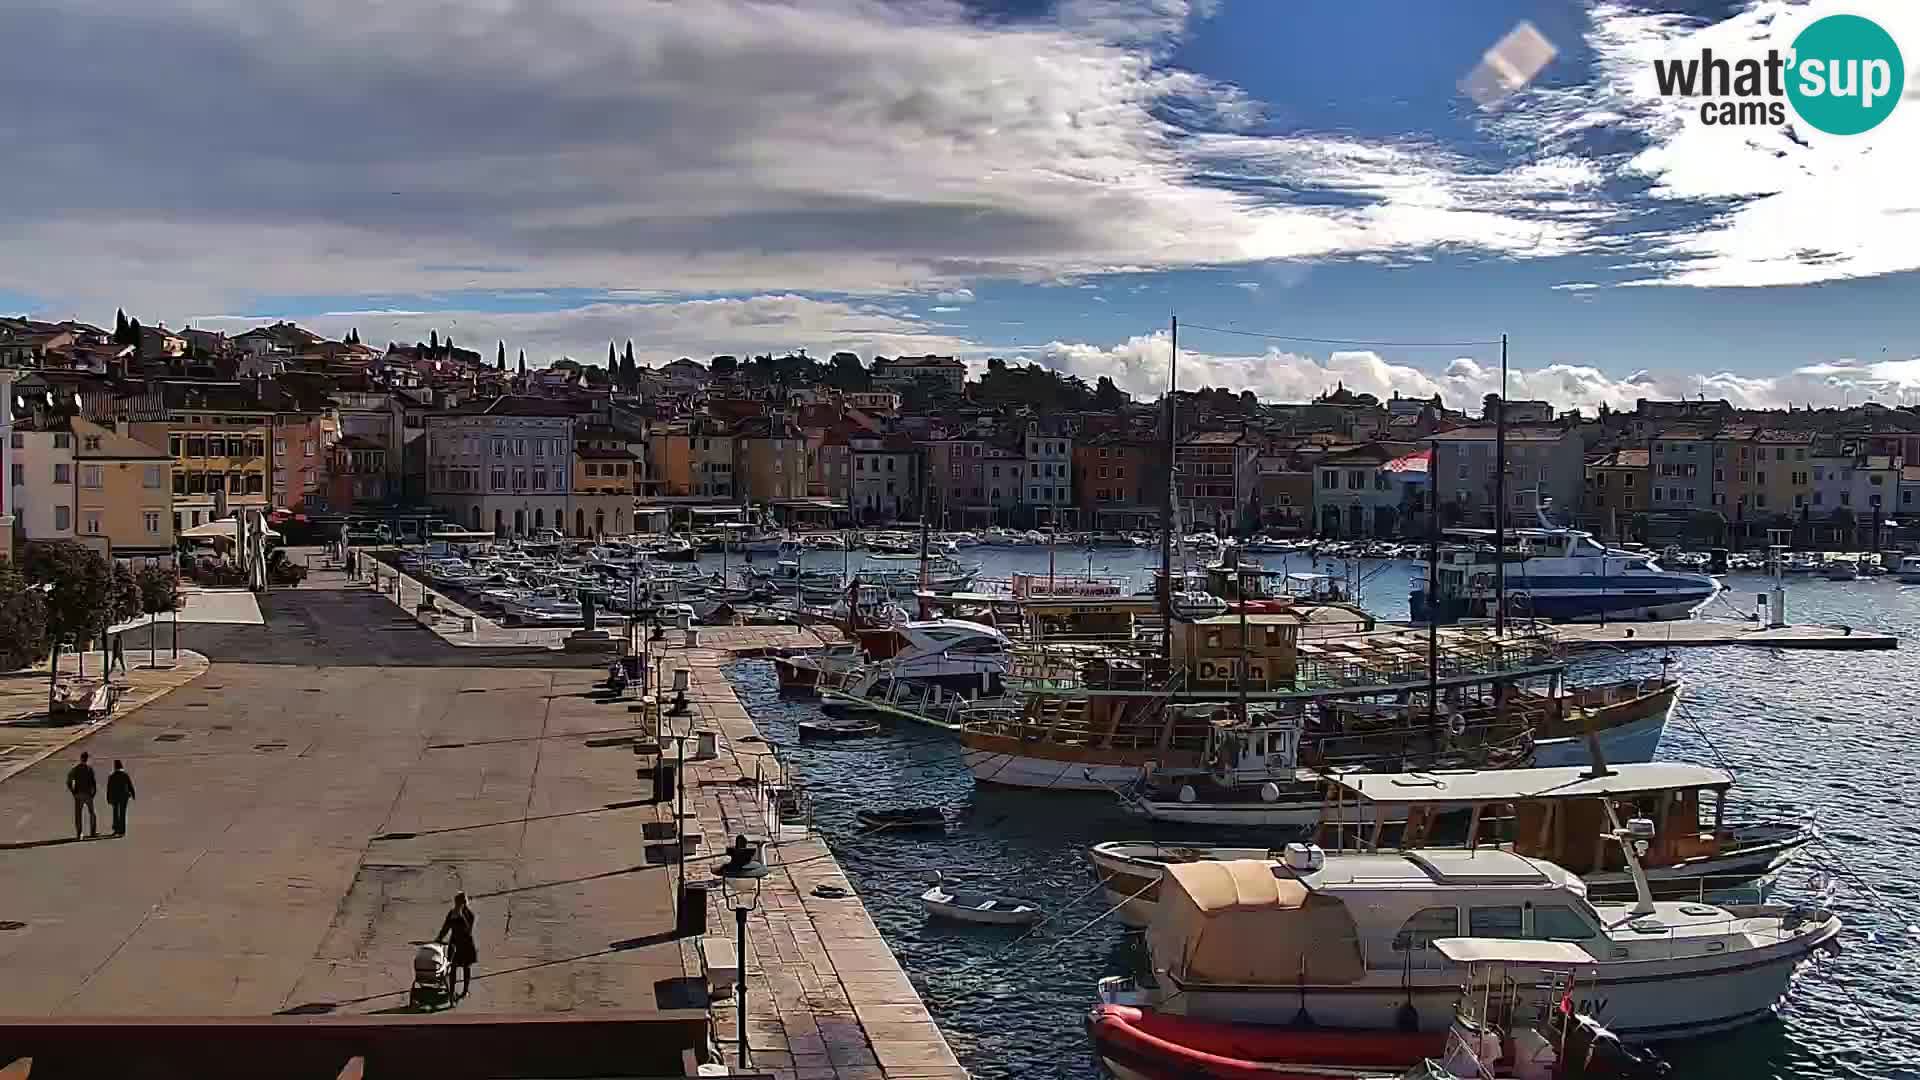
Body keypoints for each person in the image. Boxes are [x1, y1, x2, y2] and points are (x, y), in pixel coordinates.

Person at [435, 892, 478, 999]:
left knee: (466, 968)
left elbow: (467, 931)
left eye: (459, 903)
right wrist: (439, 938)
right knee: (452, 968)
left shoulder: (469, 915)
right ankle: (451, 991)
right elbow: (446, 927)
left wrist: (461, 916)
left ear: (464, 903)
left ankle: (465, 991)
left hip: (466, 944)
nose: (456, 905)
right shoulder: (452, 913)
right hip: (454, 943)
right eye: (456, 903)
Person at [66, 752, 98, 839]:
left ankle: (79, 833)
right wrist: (93, 793)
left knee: (78, 814)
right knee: (92, 813)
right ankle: (93, 832)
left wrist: (73, 791)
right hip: (88, 794)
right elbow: (93, 782)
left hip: (78, 794)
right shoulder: (89, 769)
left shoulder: (75, 769)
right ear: (87, 759)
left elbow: (69, 781)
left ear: (81, 758)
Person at [105, 760, 136, 836]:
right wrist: (133, 794)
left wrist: (108, 798)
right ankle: (122, 831)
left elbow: (109, 788)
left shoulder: (112, 776)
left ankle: (116, 829)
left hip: (115, 797)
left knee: (115, 813)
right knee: (123, 813)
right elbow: (130, 785)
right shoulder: (125, 774)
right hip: (124, 796)